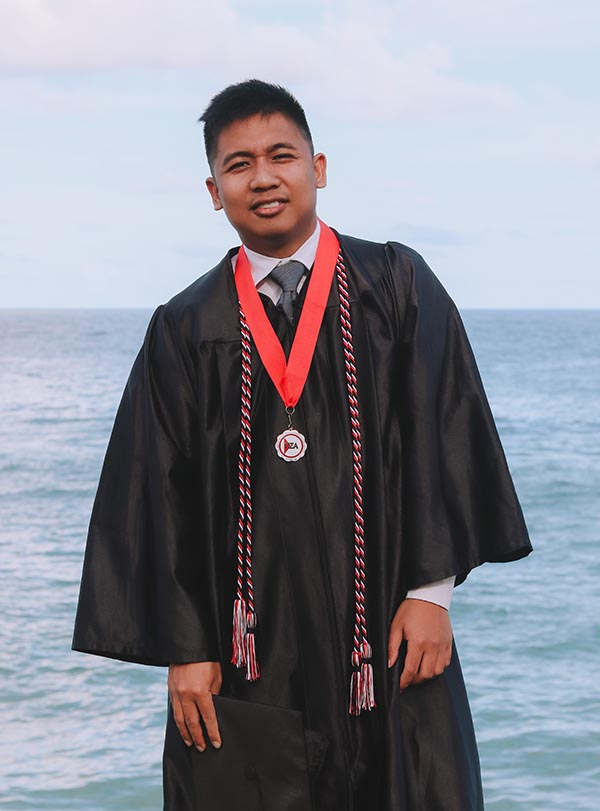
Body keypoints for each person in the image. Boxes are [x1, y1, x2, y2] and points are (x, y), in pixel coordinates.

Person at [73, 80, 532, 810]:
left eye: (280, 156)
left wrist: (431, 592)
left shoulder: (396, 283)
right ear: (213, 190)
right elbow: (159, 493)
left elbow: (445, 427)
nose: (262, 177)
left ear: (318, 167)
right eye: (239, 164)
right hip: (252, 656)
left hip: (387, 634)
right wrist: (185, 647)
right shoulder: (186, 328)